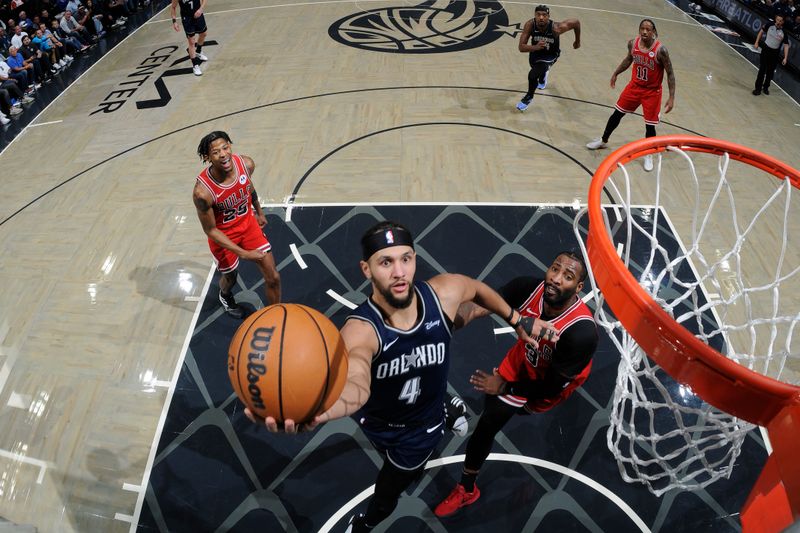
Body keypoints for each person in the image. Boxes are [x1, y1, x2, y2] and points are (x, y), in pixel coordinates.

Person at [246, 220, 558, 532]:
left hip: (416, 436)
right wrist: (320, 411)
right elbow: (356, 386)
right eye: (386, 262)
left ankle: (366, 523)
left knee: (388, 492)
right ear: (366, 269)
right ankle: (445, 406)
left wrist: (517, 319)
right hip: (383, 422)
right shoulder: (360, 331)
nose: (399, 272)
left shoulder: (444, 292)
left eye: (406, 259)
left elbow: (476, 289)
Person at [434, 251, 598, 517]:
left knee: (490, 421)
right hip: (524, 359)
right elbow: (477, 306)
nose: (556, 279)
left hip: (548, 382)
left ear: (579, 287)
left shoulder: (581, 333)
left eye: (567, 276)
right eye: (554, 269)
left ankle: (466, 489)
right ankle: (468, 486)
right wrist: (441, 327)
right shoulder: (528, 287)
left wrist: (504, 387)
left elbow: (551, 386)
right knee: (491, 412)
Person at [192, 130, 281, 317]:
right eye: (216, 152)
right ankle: (225, 295)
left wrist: (259, 210)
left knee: (273, 277)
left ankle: (275, 315)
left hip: (248, 225)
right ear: (207, 157)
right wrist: (244, 254)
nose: (223, 154)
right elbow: (210, 230)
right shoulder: (202, 193)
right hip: (224, 235)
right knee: (231, 277)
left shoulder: (246, 164)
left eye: (225, 147)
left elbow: (249, 186)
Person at [585, 19, 676, 172]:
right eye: (642, 28)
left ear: (654, 32)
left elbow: (670, 74)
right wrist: (616, 73)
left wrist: (671, 97)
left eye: (648, 29)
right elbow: (629, 59)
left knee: (650, 125)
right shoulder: (633, 43)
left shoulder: (661, 50)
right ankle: (603, 140)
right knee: (617, 114)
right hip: (634, 87)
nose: (645, 32)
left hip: (652, 92)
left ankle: (649, 154)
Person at [515, 4, 580, 112]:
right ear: (535, 16)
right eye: (538, 14)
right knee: (537, 70)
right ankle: (543, 75)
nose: (541, 17)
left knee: (532, 75)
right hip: (535, 53)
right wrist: (536, 47)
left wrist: (577, 41)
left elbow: (576, 23)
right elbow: (521, 47)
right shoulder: (530, 25)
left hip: (550, 55)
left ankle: (528, 97)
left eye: (544, 15)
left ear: (548, 16)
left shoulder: (556, 28)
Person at [752, 14, 790, 96]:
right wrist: (756, 42)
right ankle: (757, 88)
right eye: (777, 20)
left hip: (775, 53)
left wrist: (785, 58)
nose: (778, 22)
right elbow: (761, 32)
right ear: (775, 19)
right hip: (766, 49)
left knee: (770, 71)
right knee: (762, 69)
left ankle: (765, 87)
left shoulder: (784, 32)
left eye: (780, 21)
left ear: (783, 22)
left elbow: (786, 45)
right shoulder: (769, 25)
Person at [170, 0, 208, 77]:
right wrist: (174, 22)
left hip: (198, 14)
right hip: (187, 19)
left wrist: (200, 9)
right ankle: (195, 65)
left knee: (204, 34)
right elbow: (173, 7)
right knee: (191, 41)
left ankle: (198, 52)